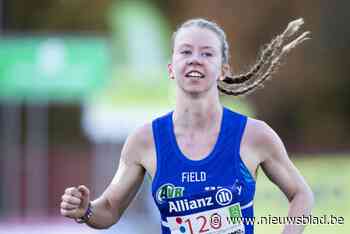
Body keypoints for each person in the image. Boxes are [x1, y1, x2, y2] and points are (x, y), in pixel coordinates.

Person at [60, 18, 314, 234]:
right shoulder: (144, 140)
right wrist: (86, 211)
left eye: (207, 53)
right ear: (171, 68)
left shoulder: (255, 135)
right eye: (185, 51)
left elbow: (301, 194)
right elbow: (110, 209)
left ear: (223, 70)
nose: (195, 60)